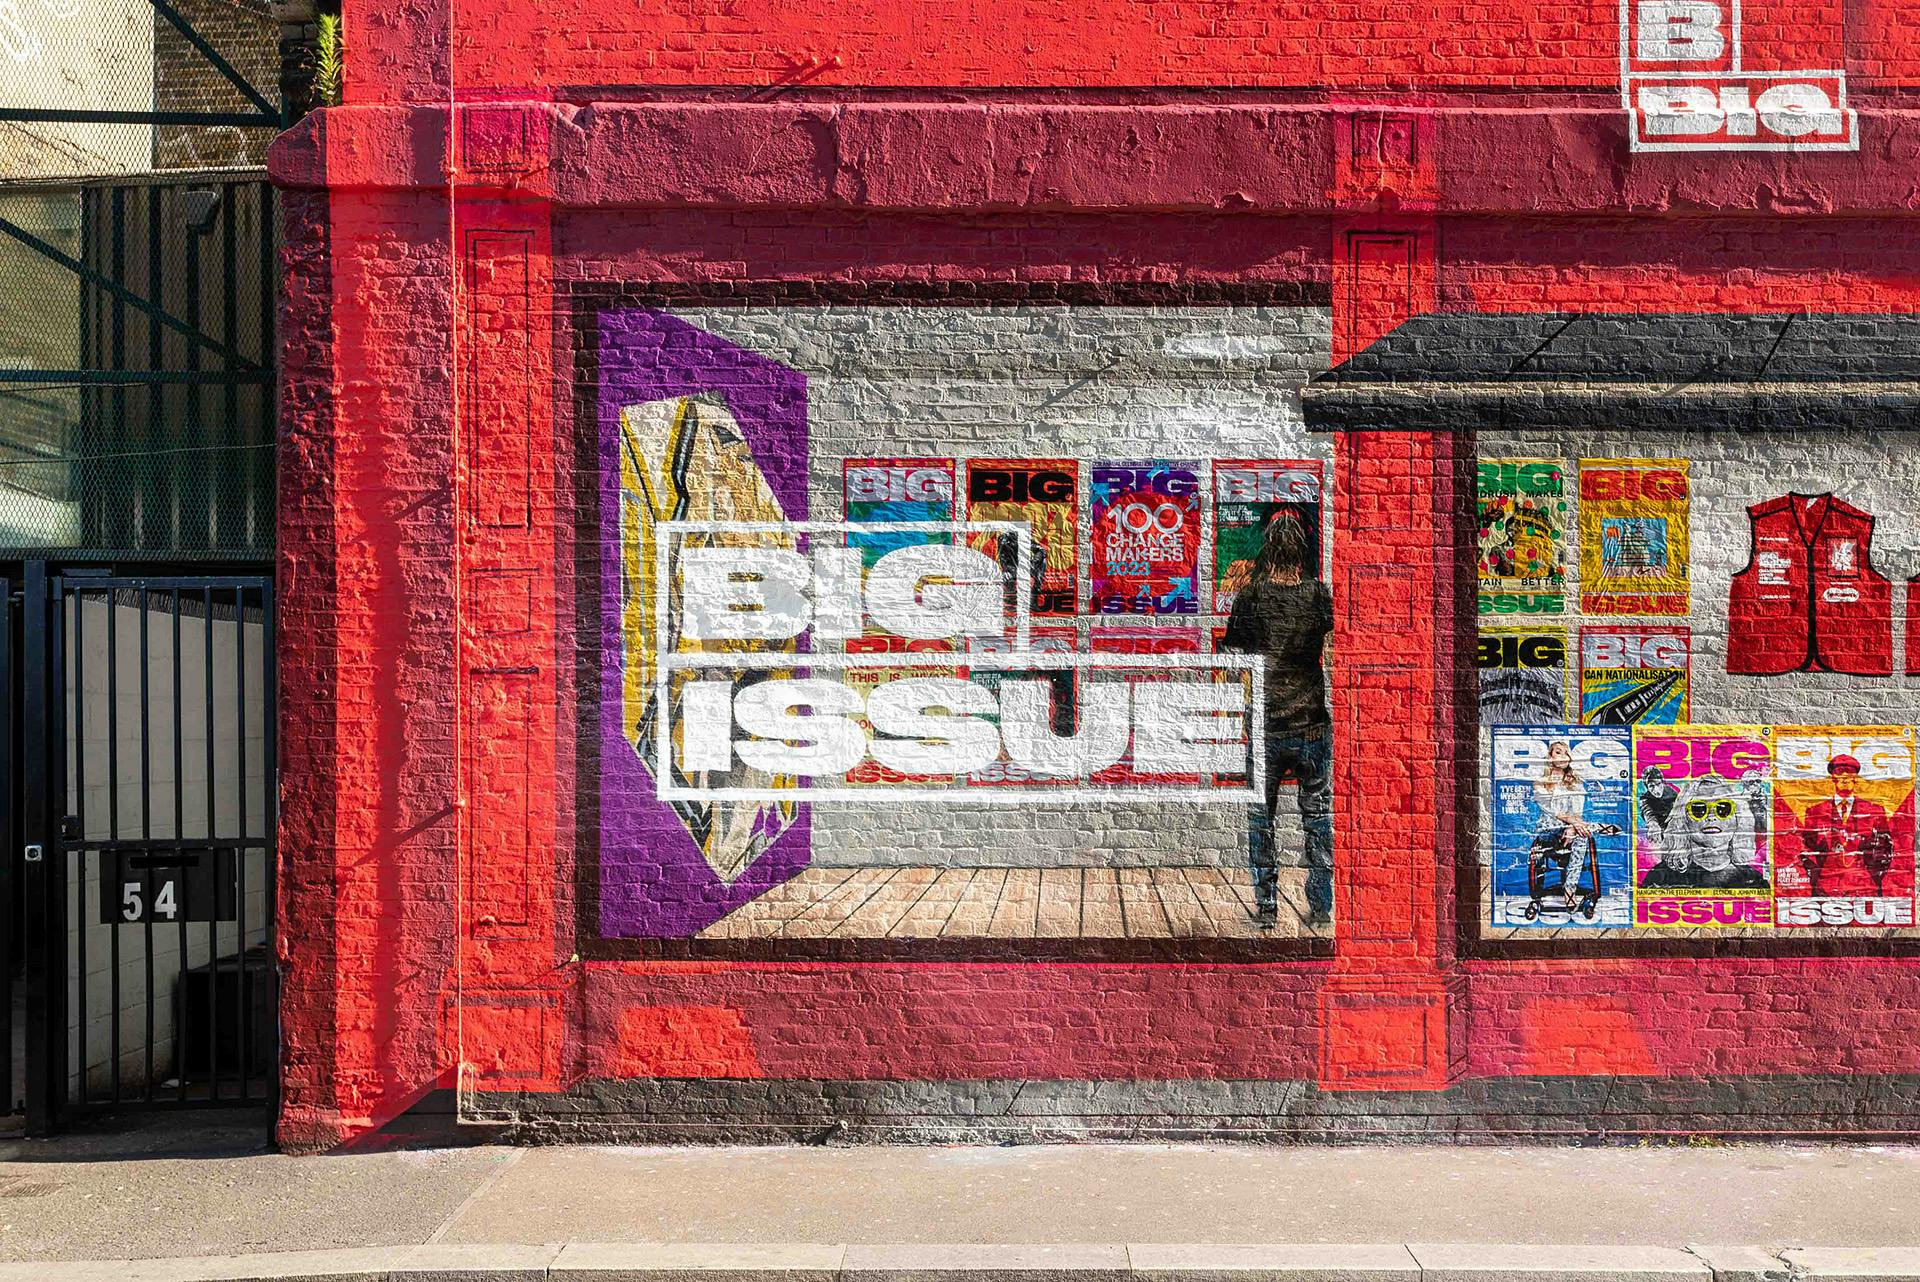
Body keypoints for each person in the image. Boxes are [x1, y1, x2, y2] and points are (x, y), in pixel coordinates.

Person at [1222, 514, 1333, 929]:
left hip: (1267, 725)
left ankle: (1267, 907)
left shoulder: (1251, 598)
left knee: (1260, 820)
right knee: (1318, 818)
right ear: (1302, 552)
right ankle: (1321, 906)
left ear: (1266, 551)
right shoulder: (1320, 596)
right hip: (1313, 724)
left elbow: (1237, 662)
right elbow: (1335, 653)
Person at [1797, 753, 1894, 897]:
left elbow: (1886, 848)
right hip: (1826, 887)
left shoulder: (1874, 810)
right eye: (1839, 772)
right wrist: (1815, 879)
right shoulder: (1815, 811)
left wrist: (1874, 878)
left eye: (1849, 773)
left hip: (1865, 886)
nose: (1844, 777)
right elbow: (1806, 847)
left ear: (1856, 779)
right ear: (1833, 778)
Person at [1530, 740, 1601, 909]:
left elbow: (1577, 812)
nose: (1563, 756)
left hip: (1571, 830)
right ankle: (1599, 827)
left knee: (1582, 836)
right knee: (1579, 828)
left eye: (1566, 753)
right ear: (1550, 756)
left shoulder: (1575, 782)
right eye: (1558, 752)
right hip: (1549, 831)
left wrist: (1572, 827)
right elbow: (1552, 811)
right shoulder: (1540, 782)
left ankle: (1570, 888)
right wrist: (1572, 824)